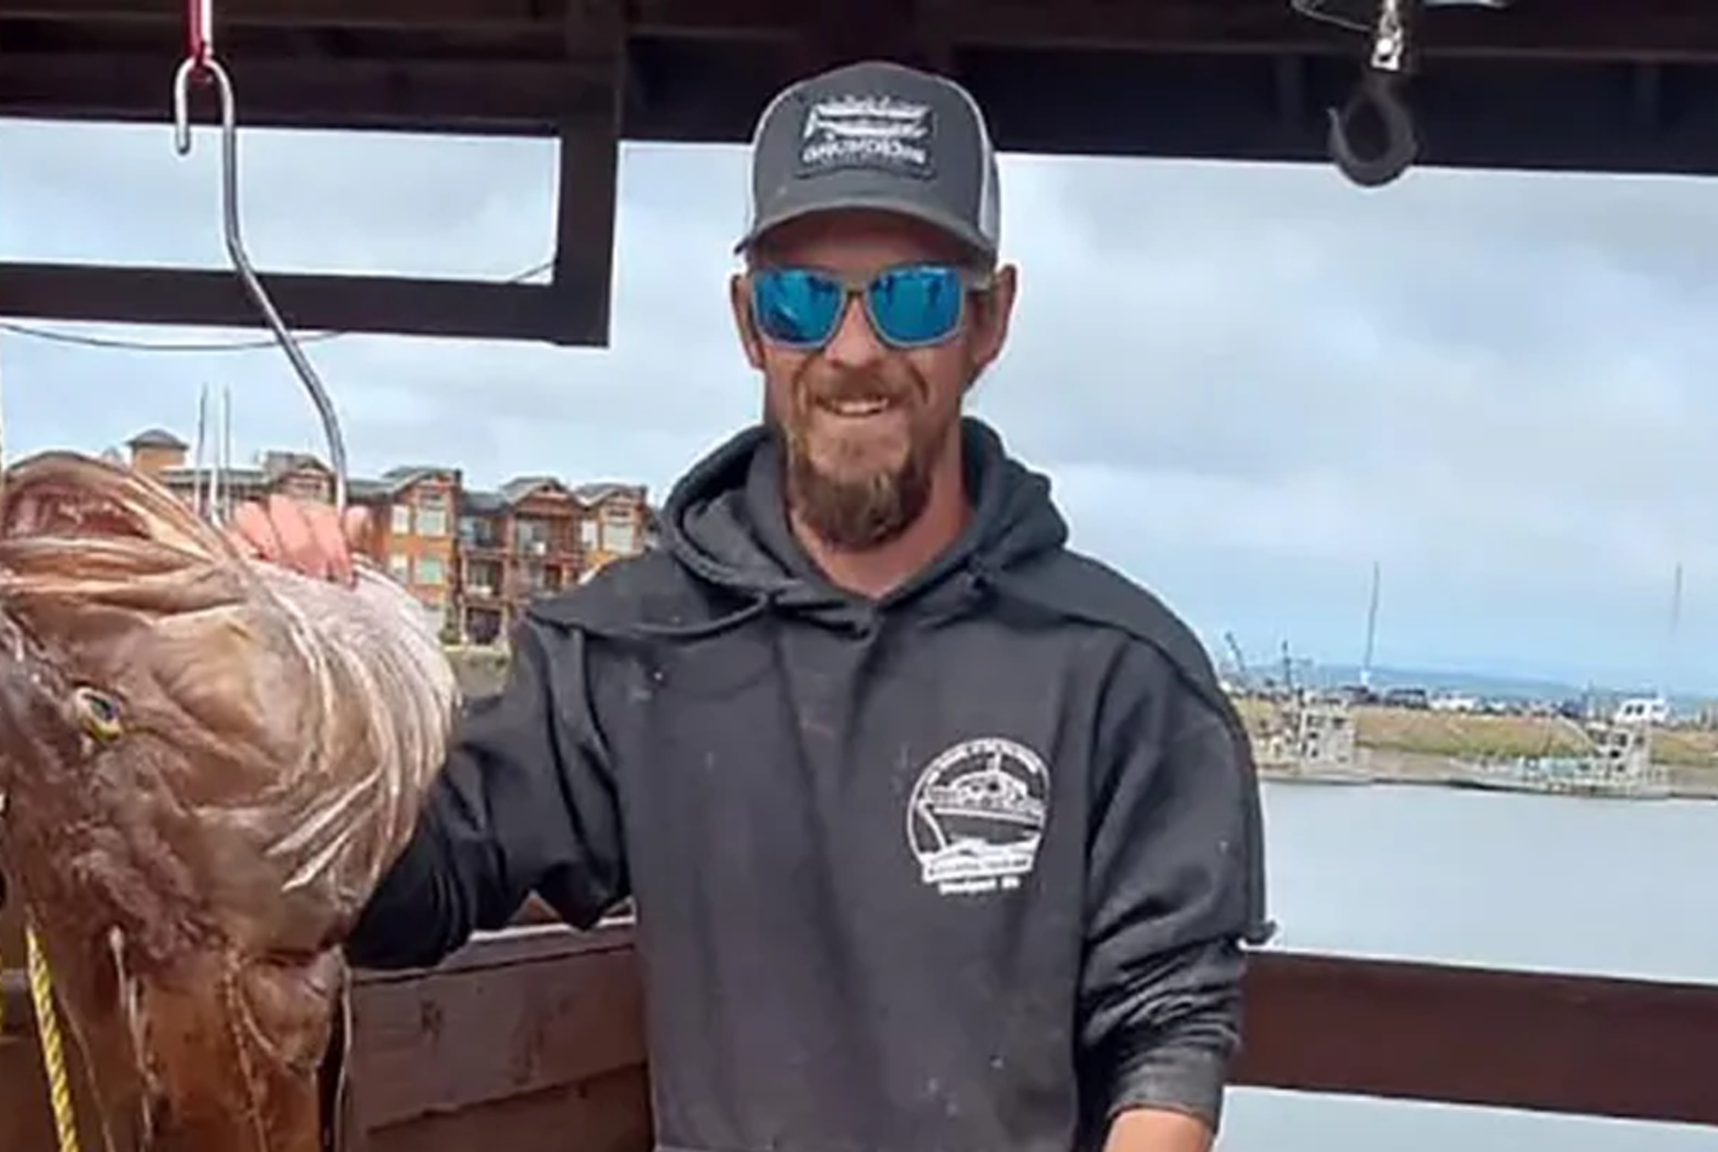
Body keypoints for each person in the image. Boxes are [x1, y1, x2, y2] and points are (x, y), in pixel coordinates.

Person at [232, 58, 1268, 1152]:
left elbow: (1168, 1028)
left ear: (989, 321)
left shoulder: (1122, 673)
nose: (853, 350)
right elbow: (411, 894)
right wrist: (291, 685)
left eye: (912, 297)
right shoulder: (625, 653)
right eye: (801, 299)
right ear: (747, 322)